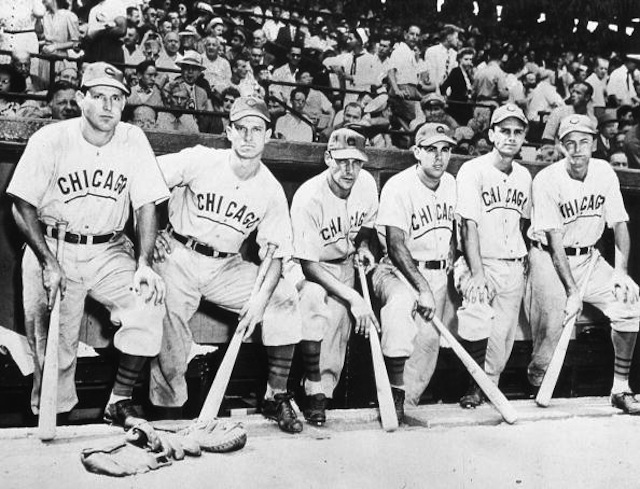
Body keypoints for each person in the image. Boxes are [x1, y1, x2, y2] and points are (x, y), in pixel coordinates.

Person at [6, 62, 169, 444]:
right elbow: (21, 205)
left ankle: (119, 400)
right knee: (53, 353)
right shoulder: (51, 139)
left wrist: (144, 263)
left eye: (116, 98)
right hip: (53, 245)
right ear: (82, 99)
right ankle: (52, 432)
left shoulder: (132, 139)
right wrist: (48, 262)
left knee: (147, 304)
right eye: (99, 96)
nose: (108, 106)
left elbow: (146, 204)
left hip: (107, 249)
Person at [149, 96, 305, 434]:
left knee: (283, 297)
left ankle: (275, 395)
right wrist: (150, 234)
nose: (248, 136)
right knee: (169, 340)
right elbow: (145, 180)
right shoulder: (201, 159)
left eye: (257, 129)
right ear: (229, 131)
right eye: (241, 128)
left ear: (268, 135)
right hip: (177, 254)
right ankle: (168, 418)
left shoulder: (270, 189)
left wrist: (259, 303)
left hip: (225, 267)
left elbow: (276, 255)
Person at [525, 114, 640, 415]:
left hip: (589, 259)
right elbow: (554, 241)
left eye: (584, 142)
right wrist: (572, 292)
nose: (577, 149)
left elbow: (619, 225)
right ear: (561, 146)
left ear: (594, 143)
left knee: (629, 302)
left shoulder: (604, 171)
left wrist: (621, 272)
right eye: (570, 143)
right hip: (548, 258)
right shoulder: (546, 179)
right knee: (548, 341)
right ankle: (535, 385)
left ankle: (620, 388)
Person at [291, 127, 379, 425]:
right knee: (314, 303)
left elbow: (366, 225)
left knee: (338, 325)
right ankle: (306, 389)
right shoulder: (309, 196)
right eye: (342, 161)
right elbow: (308, 265)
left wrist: (363, 246)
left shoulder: (366, 184)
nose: (349, 170)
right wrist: (354, 297)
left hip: (344, 261)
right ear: (329, 158)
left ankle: (321, 396)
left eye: (356, 162)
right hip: (306, 264)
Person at [370, 122, 457, 418]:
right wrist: (422, 289)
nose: (439, 157)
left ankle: (407, 407)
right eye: (431, 149)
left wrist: (453, 258)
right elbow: (396, 245)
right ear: (416, 152)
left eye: (445, 150)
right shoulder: (399, 186)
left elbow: (453, 230)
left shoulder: (451, 184)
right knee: (399, 315)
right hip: (398, 271)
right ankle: (394, 396)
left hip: (437, 273)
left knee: (428, 343)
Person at [453, 104, 531, 408]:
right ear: (491, 134)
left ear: (523, 137)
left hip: (512, 264)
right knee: (475, 312)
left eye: (517, 132)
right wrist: (477, 273)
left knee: (501, 341)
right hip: (480, 261)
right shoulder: (473, 170)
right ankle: (473, 387)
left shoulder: (524, 176)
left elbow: (522, 223)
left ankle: (487, 392)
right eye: (504, 131)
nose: (511, 137)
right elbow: (467, 225)